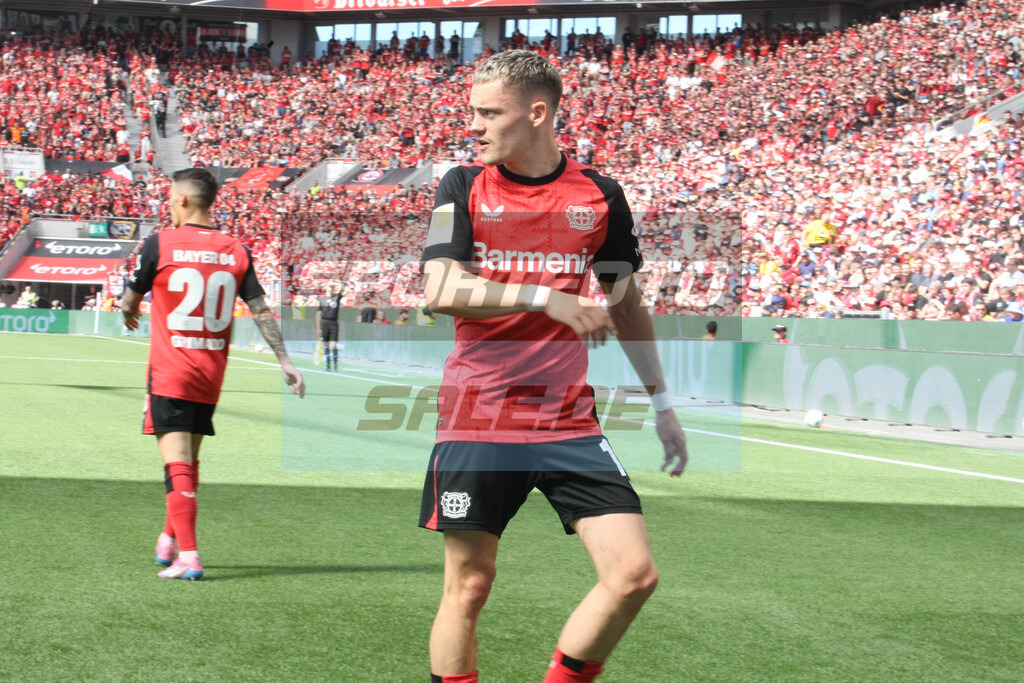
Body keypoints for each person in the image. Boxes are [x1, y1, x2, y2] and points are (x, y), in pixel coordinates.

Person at [418, 50, 688, 683]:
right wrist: (546, 298)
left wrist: (662, 402)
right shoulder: (462, 185)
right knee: (470, 585)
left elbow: (626, 305)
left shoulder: (601, 196)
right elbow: (440, 288)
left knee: (632, 575)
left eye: (490, 113)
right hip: (480, 414)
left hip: (567, 420)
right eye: (474, 112)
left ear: (537, 114)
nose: (475, 126)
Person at [121, 168, 305, 581]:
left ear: (184, 200)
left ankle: (189, 555)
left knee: (177, 464)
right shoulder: (236, 249)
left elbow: (131, 298)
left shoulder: (161, 243)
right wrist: (285, 361)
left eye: (171, 197)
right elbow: (260, 309)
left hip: (171, 372)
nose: (169, 204)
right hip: (209, 374)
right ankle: (169, 539)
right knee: (189, 461)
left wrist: (129, 310)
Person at [315, 280, 343, 371]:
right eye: (330, 288)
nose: (331, 289)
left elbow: (344, 289)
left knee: (333, 344)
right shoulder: (322, 299)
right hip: (324, 323)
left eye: (332, 288)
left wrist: (334, 284)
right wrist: (318, 328)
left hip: (334, 323)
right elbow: (318, 314)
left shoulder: (337, 298)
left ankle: (335, 365)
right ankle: (328, 366)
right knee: (326, 344)